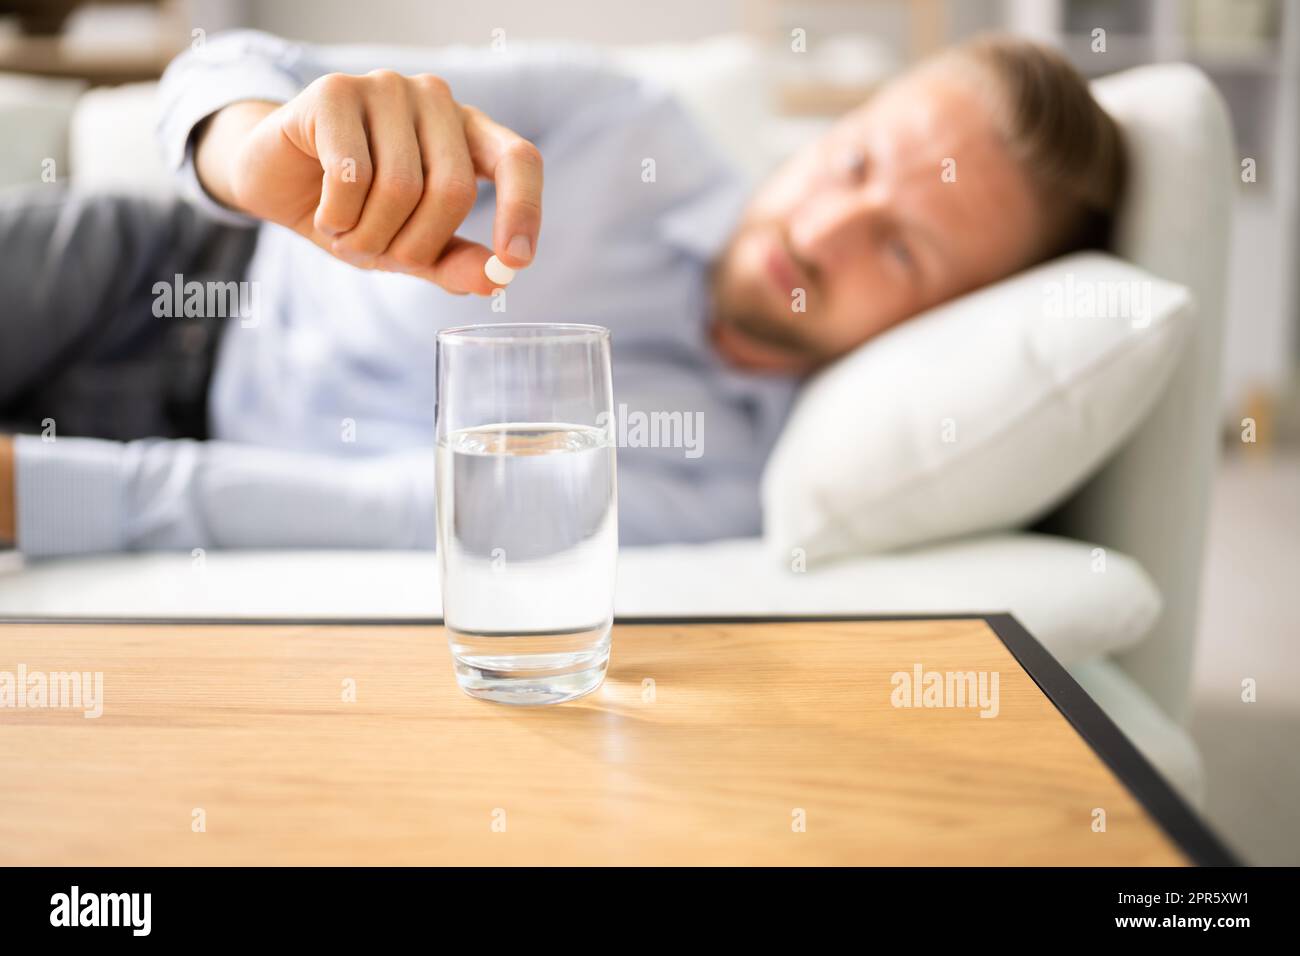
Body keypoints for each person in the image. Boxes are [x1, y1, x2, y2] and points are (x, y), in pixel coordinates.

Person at [0, 31, 1124, 556]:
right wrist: (245, 154)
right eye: (859, 161)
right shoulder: (616, 122)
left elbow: (393, 515)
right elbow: (227, 59)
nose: (820, 229)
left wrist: (39, 491)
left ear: (937, 325)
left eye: (901, 252)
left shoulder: (726, 476)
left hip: (192, 461)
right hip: (171, 269)